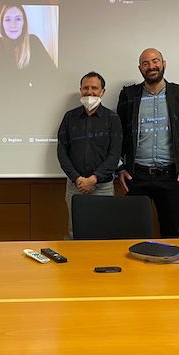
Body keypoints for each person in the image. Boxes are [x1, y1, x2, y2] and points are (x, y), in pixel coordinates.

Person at [116, 48, 179, 237]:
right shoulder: (129, 95)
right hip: (136, 175)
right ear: (140, 68)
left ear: (163, 64)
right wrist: (120, 166)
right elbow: (119, 132)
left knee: (172, 233)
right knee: (133, 232)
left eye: (155, 61)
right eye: (145, 63)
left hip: (170, 175)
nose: (151, 66)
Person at [57, 72, 122, 238]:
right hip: (75, 186)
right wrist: (78, 179)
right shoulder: (69, 117)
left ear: (102, 92)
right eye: (85, 88)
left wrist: (93, 179)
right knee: (75, 232)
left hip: (103, 187)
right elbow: (62, 152)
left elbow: (114, 155)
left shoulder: (112, 118)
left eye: (94, 88)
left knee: (103, 232)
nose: (89, 92)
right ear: (80, 90)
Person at [0, 5, 55, 71]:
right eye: (7, 20)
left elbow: (52, 73)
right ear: (2, 24)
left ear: (24, 22)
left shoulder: (33, 42)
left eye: (18, 19)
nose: (13, 25)